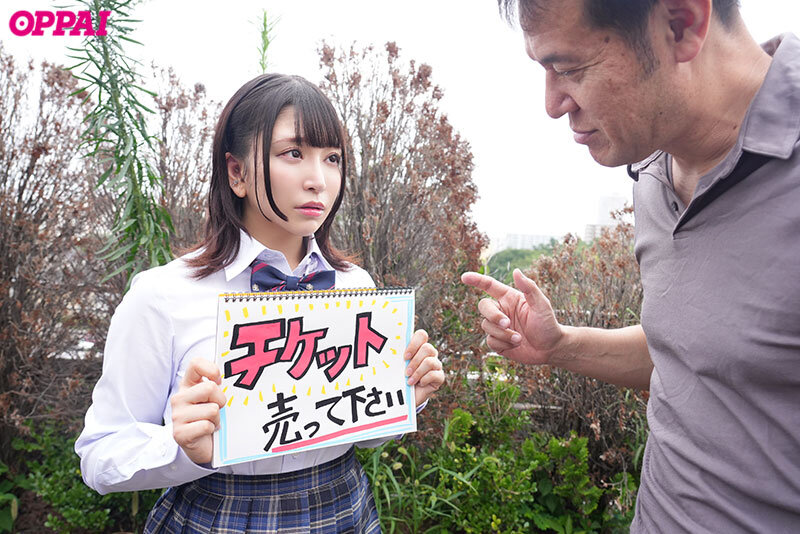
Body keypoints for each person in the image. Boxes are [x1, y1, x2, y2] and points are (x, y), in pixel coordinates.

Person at [462, 0, 800, 531]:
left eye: (569, 68)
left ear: (680, 24)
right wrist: (559, 346)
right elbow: (700, 351)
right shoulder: (653, 167)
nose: (552, 104)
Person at [76, 73, 445, 533]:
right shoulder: (163, 296)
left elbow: (361, 435)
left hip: (345, 505)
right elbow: (100, 455)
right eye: (293, 153)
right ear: (237, 173)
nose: (318, 180)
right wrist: (185, 448)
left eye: (332, 158)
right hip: (219, 514)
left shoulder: (355, 285)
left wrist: (406, 396)